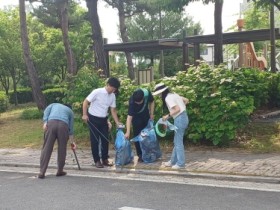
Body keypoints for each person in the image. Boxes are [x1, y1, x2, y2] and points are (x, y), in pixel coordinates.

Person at [82, 77, 121, 168]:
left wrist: (117, 122)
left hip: (104, 119)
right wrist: (84, 114)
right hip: (93, 118)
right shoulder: (97, 92)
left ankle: (104, 159)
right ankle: (96, 160)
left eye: (115, 89)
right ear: (108, 85)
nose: (113, 90)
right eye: (113, 88)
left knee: (105, 139)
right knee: (95, 140)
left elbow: (113, 110)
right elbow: (85, 102)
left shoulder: (112, 96)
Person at [153, 83, 189, 169]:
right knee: (176, 141)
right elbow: (186, 100)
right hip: (184, 117)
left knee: (178, 142)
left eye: (158, 94)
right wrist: (182, 107)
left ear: (162, 92)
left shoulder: (167, 98)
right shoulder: (174, 95)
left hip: (180, 119)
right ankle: (172, 161)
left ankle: (181, 164)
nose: (158, 96)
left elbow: (177, 109)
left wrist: (167, 116)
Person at [38, 103, 74, 179]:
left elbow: (46, 111)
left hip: (51, 123)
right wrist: (72, 142)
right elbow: (71, 128)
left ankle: (42, 171)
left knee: (47, 147)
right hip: (64, 126)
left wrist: (45, 122)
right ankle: (60, 170)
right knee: (62, 148)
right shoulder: (70, 111)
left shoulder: (54, 105)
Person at [124, 88, 155, 162]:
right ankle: (140, 154)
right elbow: (129, 118)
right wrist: (128, 132)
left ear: (143, 98)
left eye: (139, 102)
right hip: (136, 118)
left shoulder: (147, 93)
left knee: (147, 135)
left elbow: (152, 101)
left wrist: (151, 113)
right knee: (137, 136)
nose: (137, 103)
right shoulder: (132, 101)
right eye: (136, 102)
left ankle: (147, 153)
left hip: (146, 116)